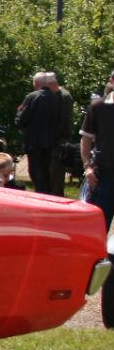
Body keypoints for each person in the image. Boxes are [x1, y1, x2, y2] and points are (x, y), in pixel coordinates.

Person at [79, 69, 114, 233]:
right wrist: (87, 167)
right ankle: (97, 258)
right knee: (98, 225)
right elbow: (86, 139)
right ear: (112, 81)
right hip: (104, 173)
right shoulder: (98, 108)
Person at [16, 72, 61, 195]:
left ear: (36, 83)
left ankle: (39, 195)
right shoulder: (56, 98)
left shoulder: (32, 97)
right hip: (50, 142)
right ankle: (46, 195)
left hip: (34, 141)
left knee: (35, 172)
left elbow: (21, 119)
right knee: (45, 172)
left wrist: (19, 114)